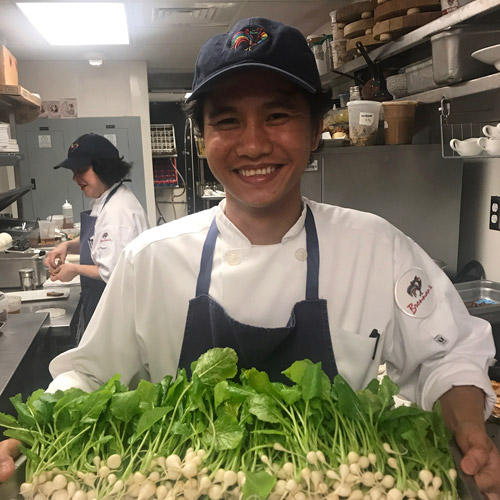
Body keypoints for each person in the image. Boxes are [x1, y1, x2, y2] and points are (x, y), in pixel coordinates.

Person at [1, 17, 500, 497]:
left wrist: (468, 428)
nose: (255, 144)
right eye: (227, 121)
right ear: (202, 139)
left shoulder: (376, 247)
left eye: (278, 115)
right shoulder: (151, 259)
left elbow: (449, 355)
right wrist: (34, 433)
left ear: (314, 130)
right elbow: (87, 376)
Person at [44, 133, 149, 327]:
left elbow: (112, 272)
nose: (75, 178)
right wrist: (68, 245)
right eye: (73, 172)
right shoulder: (106, 199)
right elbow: (98, 239)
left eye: (81, 170)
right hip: (105, 303)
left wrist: (74, 269)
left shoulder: (118, 212)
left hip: (118, 312)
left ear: (104, 168)